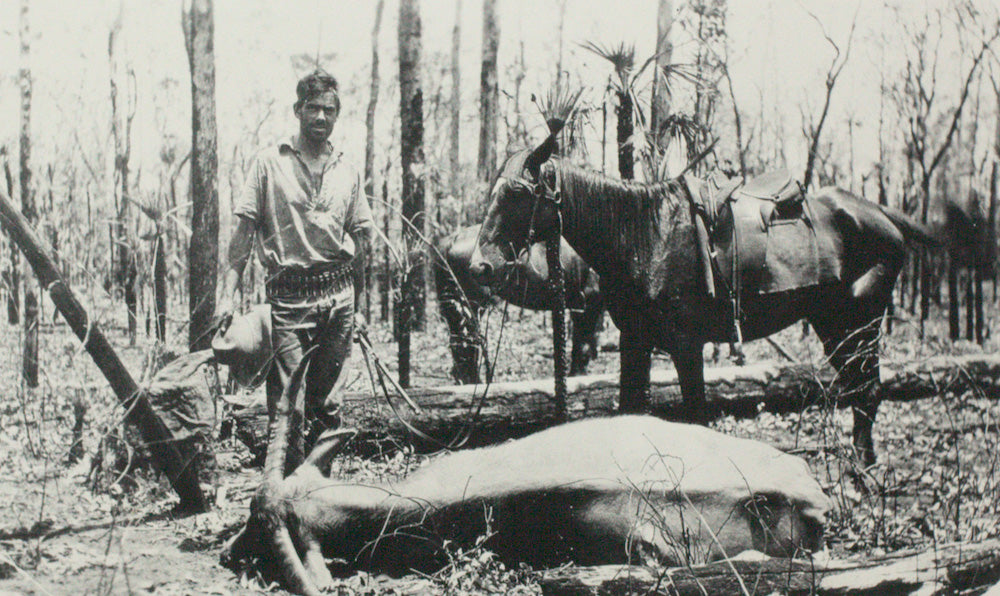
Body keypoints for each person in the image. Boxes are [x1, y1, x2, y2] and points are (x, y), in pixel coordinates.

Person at [217, 68, 374, 451]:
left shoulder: (347, 169)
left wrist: (361, 306)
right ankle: (287, 499)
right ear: (297, 110)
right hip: (288, 303)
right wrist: (227, 297)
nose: (321, 117)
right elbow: (242, 239)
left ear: (337, 115)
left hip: (338, 301)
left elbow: (362, 241)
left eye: (329, 110)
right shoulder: (269, 163)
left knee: (329, 407)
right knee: (288, 409)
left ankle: (320, 496)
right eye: (313, 108)